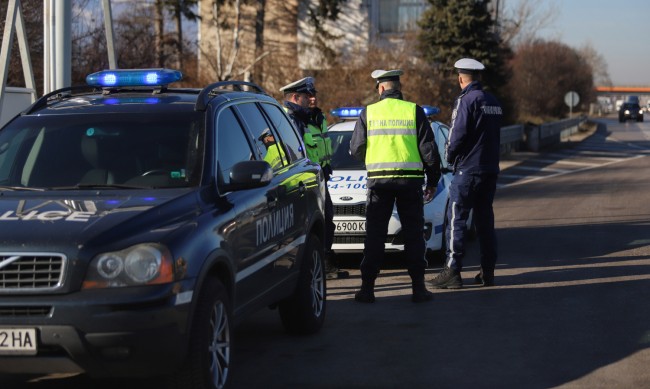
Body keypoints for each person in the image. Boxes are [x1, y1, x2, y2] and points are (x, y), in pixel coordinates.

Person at [349, 69, 441, 303]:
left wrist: (372, 158)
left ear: (380, 88)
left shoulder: (368, 113)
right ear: (398, 88)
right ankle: (418, 289)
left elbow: (356, 148)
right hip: (410, 182)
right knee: (414, 235)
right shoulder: (414, 110)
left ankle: (367, 289)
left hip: (379, 183)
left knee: (375, 236)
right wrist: (433, 180)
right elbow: (429, 151)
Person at [428, 58, 503, 289]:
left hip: (468, 170)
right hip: (489, 169)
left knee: (456, 219)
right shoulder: (493, 101)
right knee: (484, 222)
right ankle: (487, 271)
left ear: (461, 78)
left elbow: (456, 135)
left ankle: (452, 271)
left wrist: (449, 157)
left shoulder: (465, 100)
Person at [280, 77, 349, 280]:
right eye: (308, 96)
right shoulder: (289, 121)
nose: (313, 99)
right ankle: (316, 266)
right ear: (295, 97)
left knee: (327, 221)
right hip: (300, 183)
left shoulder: (313, 118)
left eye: (313, 95)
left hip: (318, 179)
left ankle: (325, 262)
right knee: (311, 225)